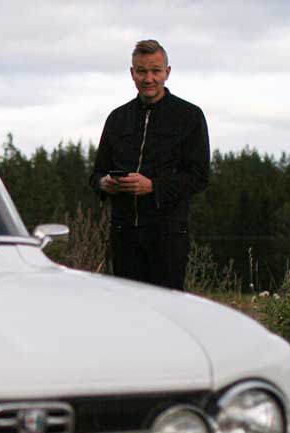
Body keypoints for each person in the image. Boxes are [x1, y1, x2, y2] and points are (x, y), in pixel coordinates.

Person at [91, 39, 210, 290]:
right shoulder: (117, 118)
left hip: (167, 236)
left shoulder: (189, 116)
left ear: (167, 73)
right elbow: (97, 173)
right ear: (132, 73)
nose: (148, 78)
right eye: (142, 71)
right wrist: (105, 183)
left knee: (167, 310)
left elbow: (199, 176)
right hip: (123, 234)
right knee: (128, 310)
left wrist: (153, 186)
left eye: (155, 71)